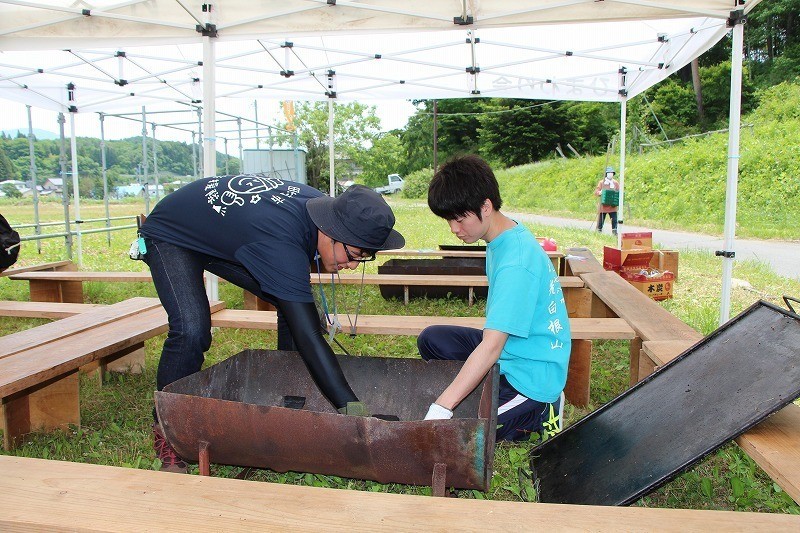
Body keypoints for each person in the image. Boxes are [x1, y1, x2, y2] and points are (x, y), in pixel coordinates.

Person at [138, 175, 404, 472]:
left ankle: (288, 397)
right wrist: (355, 413)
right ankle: (166, 430)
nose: (353, 266)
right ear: (332, 231)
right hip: (171, 233)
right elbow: (308, 338)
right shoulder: (281, 241)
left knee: (295, 307)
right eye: (354, 254)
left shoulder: (323, 213)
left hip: (222, 231)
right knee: (191, 328)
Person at [417, 155, 571, 442]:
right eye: (449, 219)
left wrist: (442, 407)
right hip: (511, 349)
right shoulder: (502, 233)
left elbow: (491, 346)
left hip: (532, 373)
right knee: (432, 339)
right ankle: (486, 389)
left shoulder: (517, 262)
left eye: (459, 218)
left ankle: (541, 410)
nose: (454, 228)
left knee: (463, 430)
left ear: (485, 207)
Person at [594, 166, 619, 235]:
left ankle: (614, 232)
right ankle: (599, 231)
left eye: (611, 173)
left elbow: (618, 192)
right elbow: (596, 192)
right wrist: (600, 192)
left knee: (614, 220)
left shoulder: (615, 183)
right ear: (606, 174)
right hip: (603, 206)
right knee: (601, 220)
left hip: (612, 206)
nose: (610, 174)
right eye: (609, 173)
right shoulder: (602, 182)